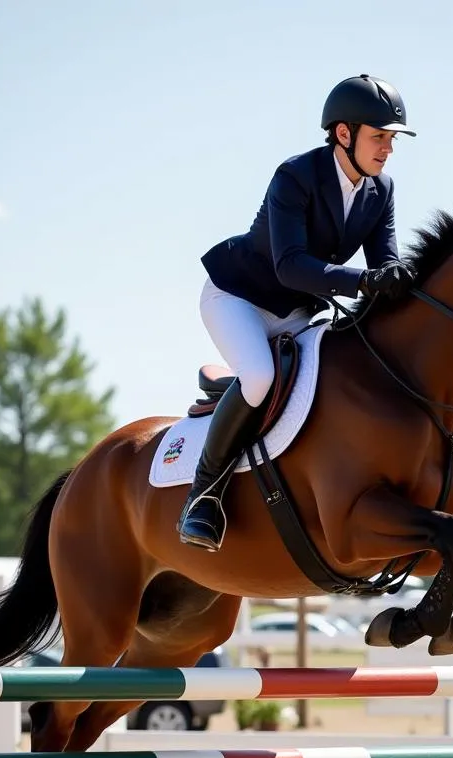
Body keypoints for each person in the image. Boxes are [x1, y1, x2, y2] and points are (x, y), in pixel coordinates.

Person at [177, 73, 417, 552]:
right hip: (239, 297)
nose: (387, 149)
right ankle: (203, 495)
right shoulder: (296, 175)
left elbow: (384, 261)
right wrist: (364, 282)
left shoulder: (381, 191)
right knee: (261, 378)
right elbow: (289, 266)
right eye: (379, 137)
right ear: (343, 134)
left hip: (297, 313)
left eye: (391, 139)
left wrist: (404, 282)